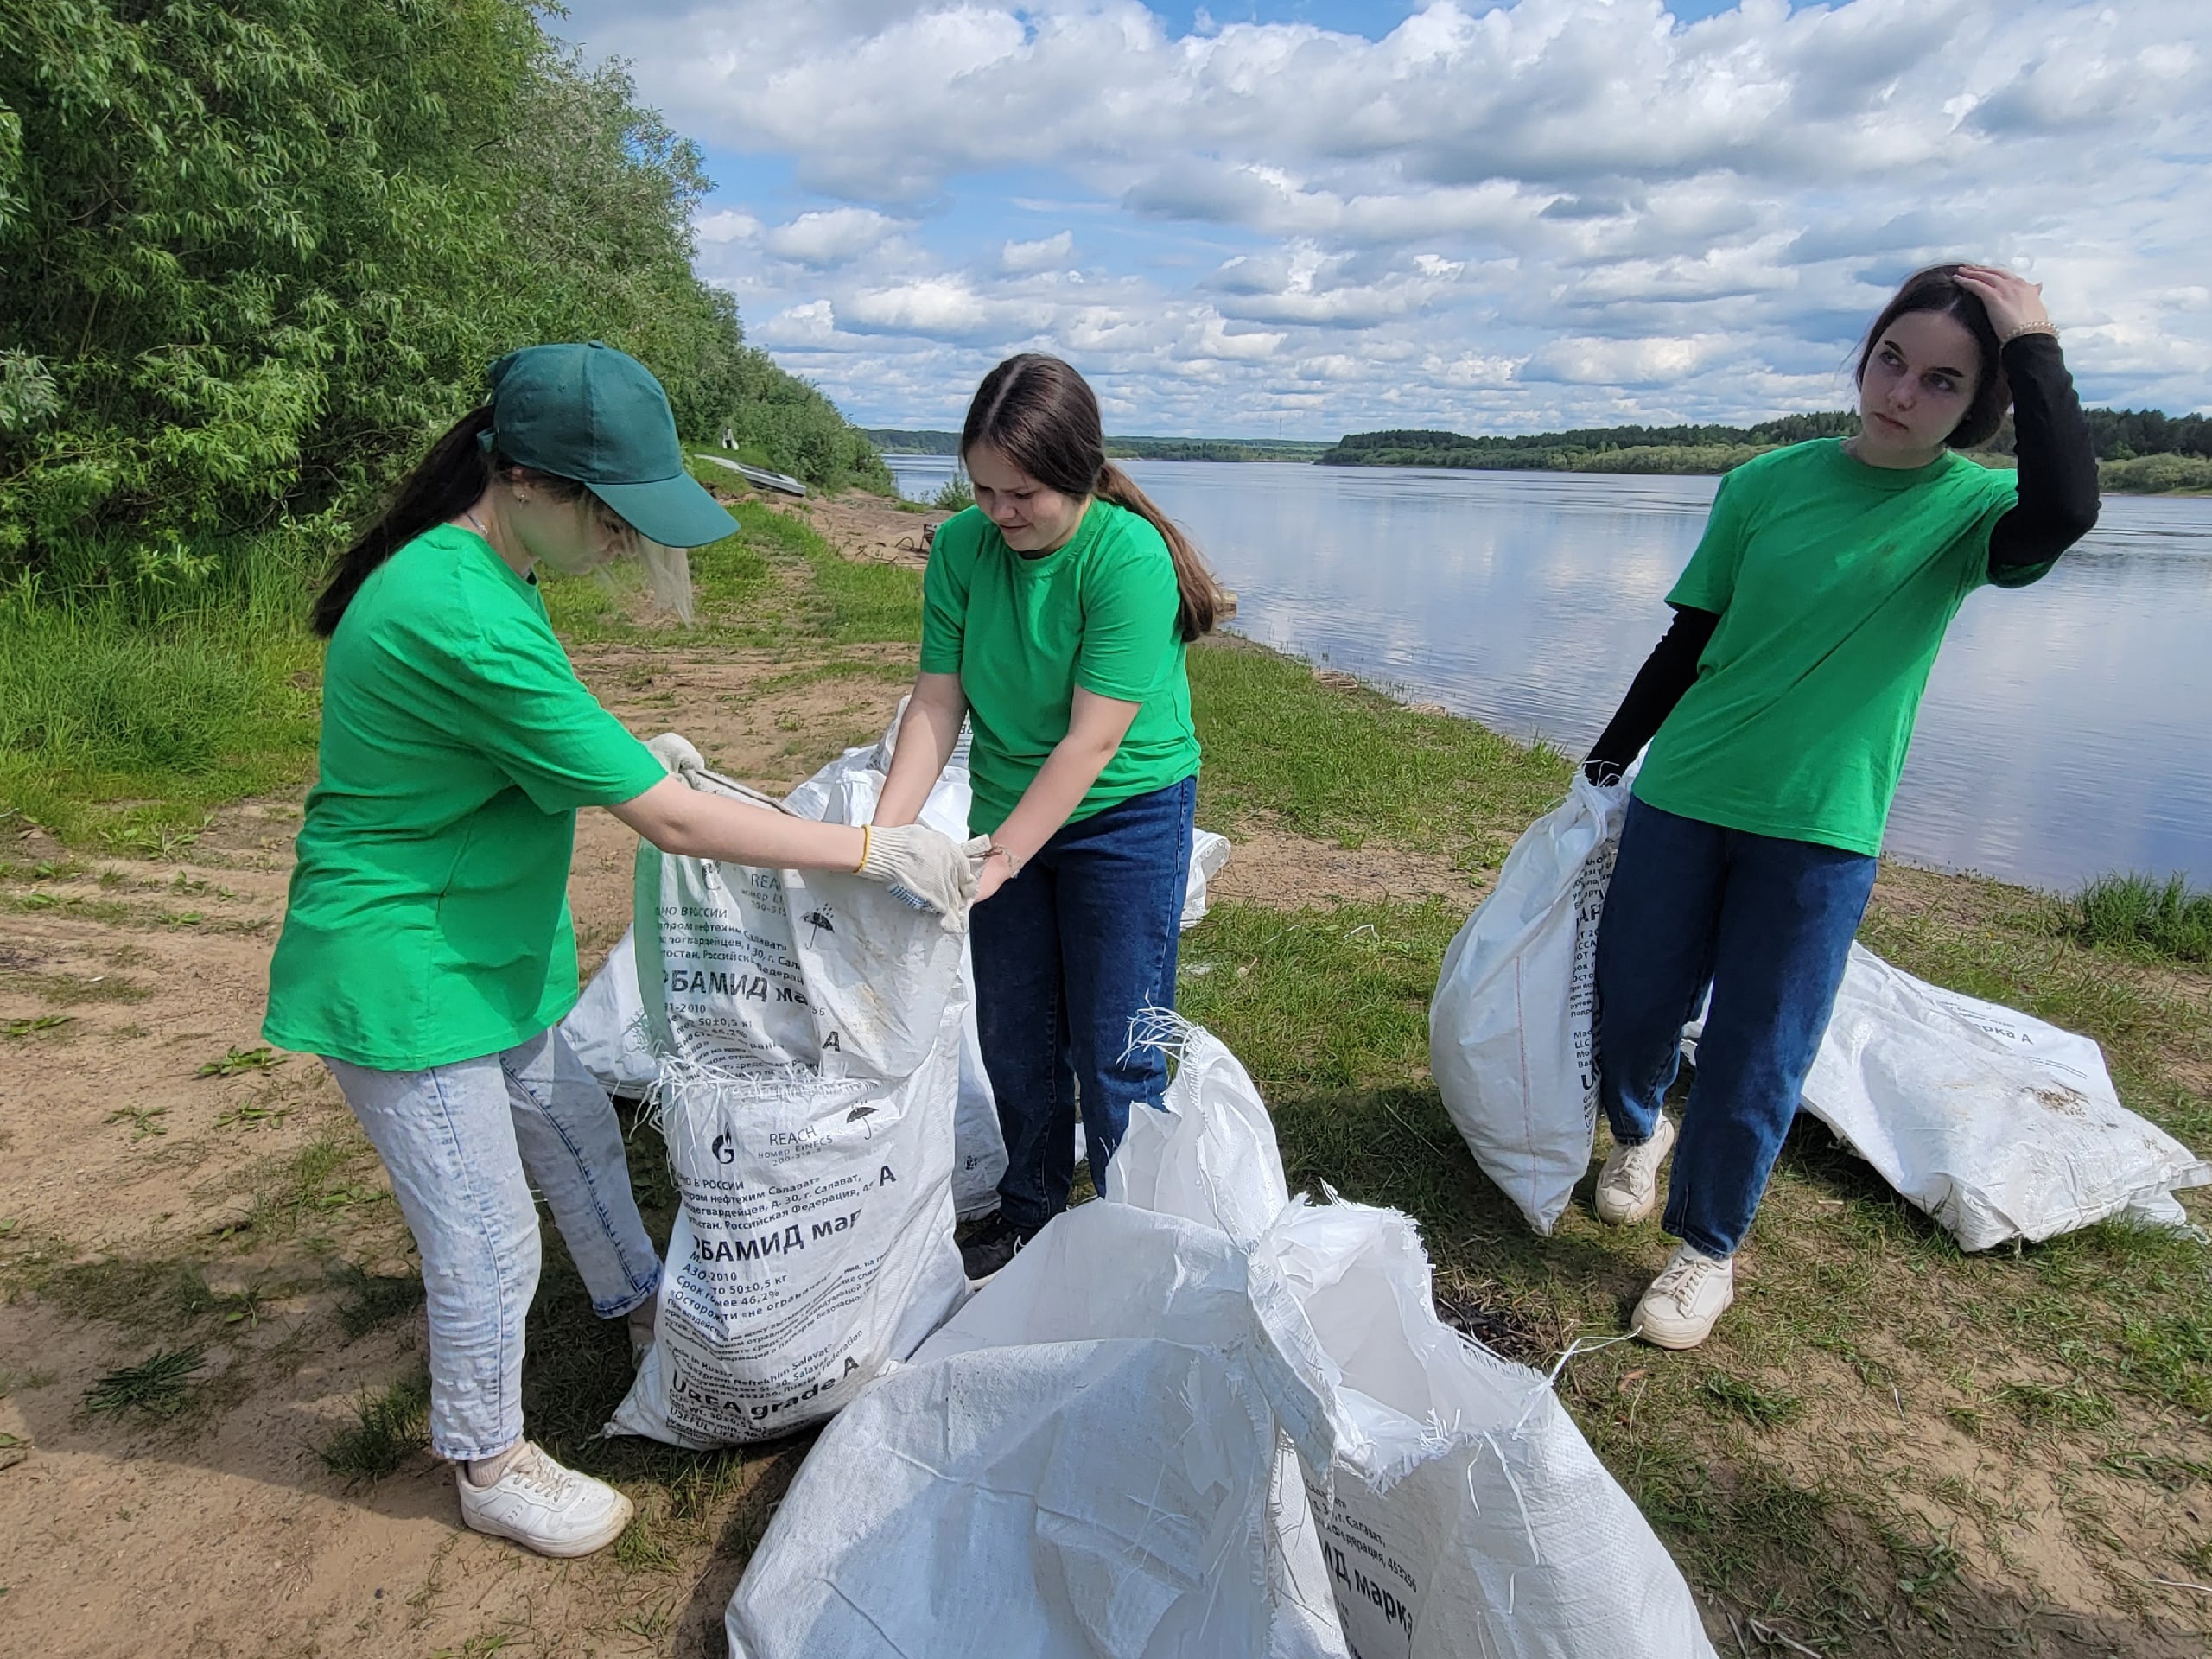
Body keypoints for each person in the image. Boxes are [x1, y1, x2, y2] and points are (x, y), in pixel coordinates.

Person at [263, 342, 972, 1556]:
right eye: (614, 516)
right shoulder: (452, 605)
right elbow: (670, 821)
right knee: (485, 1236)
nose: (623, 544)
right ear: (530, 481)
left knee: (578, 1128)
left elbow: (538, 743)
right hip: (404, 974)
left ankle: (642, 1305)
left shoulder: (487, 572)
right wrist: (868, 852)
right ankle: (486, 1458)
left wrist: (630, 745)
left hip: (481, 947)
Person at [1580, 265, 2099, 1351]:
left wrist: (2035, 343)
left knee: (1759, 1051)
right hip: (1686, 792)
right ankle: (1636, 1131)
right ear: (1864, 357)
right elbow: (1689, 636)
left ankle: (1703, 1252)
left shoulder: (1972, 514)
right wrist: (1611, 754)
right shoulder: (1764, 483)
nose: (1902, 393)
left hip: (1820, 826)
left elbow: (2068, 507)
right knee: (1630, 1006)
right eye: (1890, 361)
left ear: (1979, 407)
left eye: (1942, 382)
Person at [874, 354, 1227, 1281]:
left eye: (1020, 493)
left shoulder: (1126, 557)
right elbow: (936, 706)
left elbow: (1088, 746)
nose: (997, 513)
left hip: (1127, 814)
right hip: (1005, 813)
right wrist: (883, 840)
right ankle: (1029, 1212)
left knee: (1117, 1046)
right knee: (1017, 1037)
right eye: (981, 489)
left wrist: (997, 863)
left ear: (1076, 473)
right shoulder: (959, 548)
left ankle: (1132, 1235)